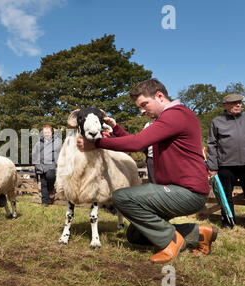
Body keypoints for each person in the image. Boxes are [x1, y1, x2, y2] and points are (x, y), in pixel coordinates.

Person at [77, 79, 215, 263]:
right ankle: (199, 234)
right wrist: (116, 128)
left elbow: (136, 143)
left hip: (187, 192)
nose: (142, 110)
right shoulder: (164, 121)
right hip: (175, 190)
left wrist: (96, 143)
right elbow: (140, 143)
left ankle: (171, 241)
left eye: (144, 104)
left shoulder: (177, 115)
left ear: (159, 96)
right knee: (135, 234)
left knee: (121, 196)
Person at [206, 93, 245, 229]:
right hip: (225, 165)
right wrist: (212, 166)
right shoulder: (217, 121)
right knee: (226, 196)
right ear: (225, 105)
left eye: (239, 102)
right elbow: (212, 144)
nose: (238, 105)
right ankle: (228, 222)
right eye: (234, 103)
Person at [32, 125, 62, 206]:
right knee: (43, 184)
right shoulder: (39, 142)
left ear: (51, 132)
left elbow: (61, 152)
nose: (46, 134)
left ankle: (51, 189)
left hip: (52, 164)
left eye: (48, 132)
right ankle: (45, 202)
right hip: (41, 165)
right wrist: (35, 163)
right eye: (45, 132)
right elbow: (34, 153)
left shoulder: (57, 141)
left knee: (50, 176)